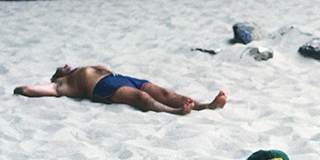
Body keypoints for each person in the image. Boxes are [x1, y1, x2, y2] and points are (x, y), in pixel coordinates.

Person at [13, 64, 226, 115]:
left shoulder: (82, 68)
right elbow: (27, 89)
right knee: (140, 97)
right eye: (61, 67)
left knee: (165, 93)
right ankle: (176, 112)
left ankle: (205, 105)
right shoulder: (60, 84)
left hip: (118, 78)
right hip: (101, 87)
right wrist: (21, 89)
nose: (66, 65)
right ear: (57, 74)